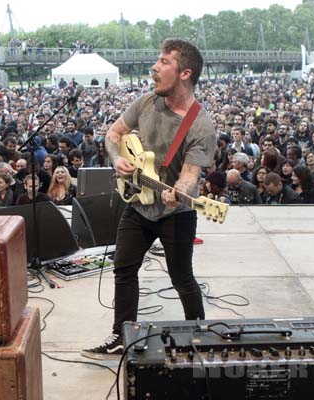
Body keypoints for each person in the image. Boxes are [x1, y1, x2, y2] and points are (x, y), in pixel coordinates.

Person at [82, 39, 216, 359]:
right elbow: (113, 135)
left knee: (181, 276)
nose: (154, 67)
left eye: (163, 61)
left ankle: (198, 335)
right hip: (139, 203)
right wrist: (116, 159)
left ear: (184, 73)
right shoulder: (145, 103)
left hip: (176, 212)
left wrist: (178, 193)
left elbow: (190, 175)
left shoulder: (201, 124)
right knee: (123, 268)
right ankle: (121, 334)